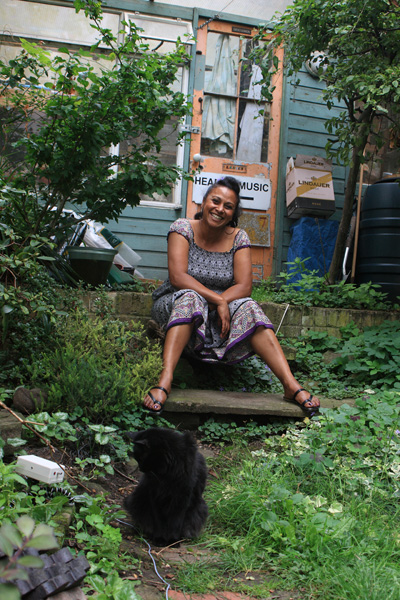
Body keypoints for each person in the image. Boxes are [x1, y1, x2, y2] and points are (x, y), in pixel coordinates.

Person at [143, 176, 320, 416]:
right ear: (204, 202)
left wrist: (223, 301)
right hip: (176, 303)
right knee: (191, 299)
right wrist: (218, 300)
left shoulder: (239, 237)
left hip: (218, 312)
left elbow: (245, 285)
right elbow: (178, 277)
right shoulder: (182, 228)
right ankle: (165, 379)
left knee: (248, 306)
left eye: (228, 206)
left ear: (233, 212)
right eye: (215, 201)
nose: (219, 209)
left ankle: (290, 385)